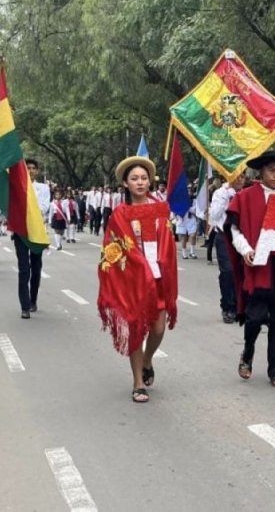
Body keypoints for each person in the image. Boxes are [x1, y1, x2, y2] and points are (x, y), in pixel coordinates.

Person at [97, 156, 178, 403]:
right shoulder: (120, 214)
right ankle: (138, 382)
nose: (140, 182)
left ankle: (148, 359)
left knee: (158, 328)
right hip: (133, 279)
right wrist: (139, 266)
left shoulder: (161, 209)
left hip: (159, 278)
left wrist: (161, 263)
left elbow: (168, 244)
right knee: (136, 328)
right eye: (134, 179)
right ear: (125, 183)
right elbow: (115, 247)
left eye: (144, 178)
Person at [225, 150, 275, 388]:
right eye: (272, 170)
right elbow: (234, 230)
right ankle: (247, 353)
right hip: (257, 262)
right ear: (261, 171)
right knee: (255, 317)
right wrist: (246, 250)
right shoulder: (246, 196)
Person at [15, 159, 50, 318]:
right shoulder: (16, 187)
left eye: (33, 168)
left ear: (37, 171)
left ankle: (33, 299)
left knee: (36, 269)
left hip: (37, 232)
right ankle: (24, 306)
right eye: (27, 168)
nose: (31, 170)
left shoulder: (43, 188)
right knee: (24, 270)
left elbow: (43, 207)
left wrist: (28, 204)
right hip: (21, 232)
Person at [209, 173, 246, 323]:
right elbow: (215, 215)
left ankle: (240, 306)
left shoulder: (245, 193)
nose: (239, 179)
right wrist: (226, 195)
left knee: (242, 272)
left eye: (242, 176)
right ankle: (228, 307)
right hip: (224, 237)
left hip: (242, 238)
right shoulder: (220, 193)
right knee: (228, 272)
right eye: (236, 176)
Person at [175, 185, 198, 259]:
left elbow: (195, 210)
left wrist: (187, 207)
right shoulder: (180, 200)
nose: (189, 193)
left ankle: (192, 252)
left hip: (191, 219)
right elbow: (176, 209)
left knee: (193, 235)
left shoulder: (194, 200)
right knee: (184, 238)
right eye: (187, 191)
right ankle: (184, 253)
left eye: (190, 191)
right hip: (182, 219)